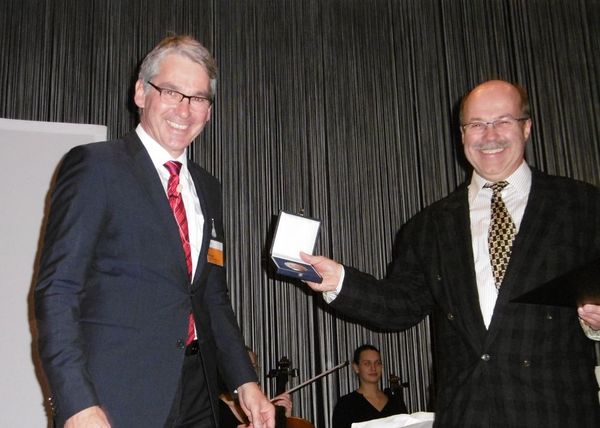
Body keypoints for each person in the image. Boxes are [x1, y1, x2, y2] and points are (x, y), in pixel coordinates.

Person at [300, 79, 600, 427]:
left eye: (503, 120)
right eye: (476, 124)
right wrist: (339, 280)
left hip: (556, 411)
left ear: (527, 127)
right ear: (462, 135)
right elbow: (400, 305)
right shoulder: (430, 224)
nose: (490, 135)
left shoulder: (582, 205)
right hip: (466, 413)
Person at [34, 35, 275, 427]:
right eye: (172, 92)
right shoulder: (96, 167)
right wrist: (76, 402)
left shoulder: (207, 188)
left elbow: (212, 298)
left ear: (209, 112)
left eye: (198, 98)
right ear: (141, 93)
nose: (185, 109)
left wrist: (244, 381)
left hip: (199, 393)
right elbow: (57, 291)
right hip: (116, 396)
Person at [332, 345, 407, 428]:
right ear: (356, 367)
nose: (373, 368)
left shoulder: (396, 403)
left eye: (377, 363)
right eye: (367, 363)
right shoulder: (345, 405)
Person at [219, 348, 293, 428]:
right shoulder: (214, 410)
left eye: (253, 367)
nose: (248, 373)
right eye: (245, 368)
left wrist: (285, 417)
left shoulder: (260, 406)